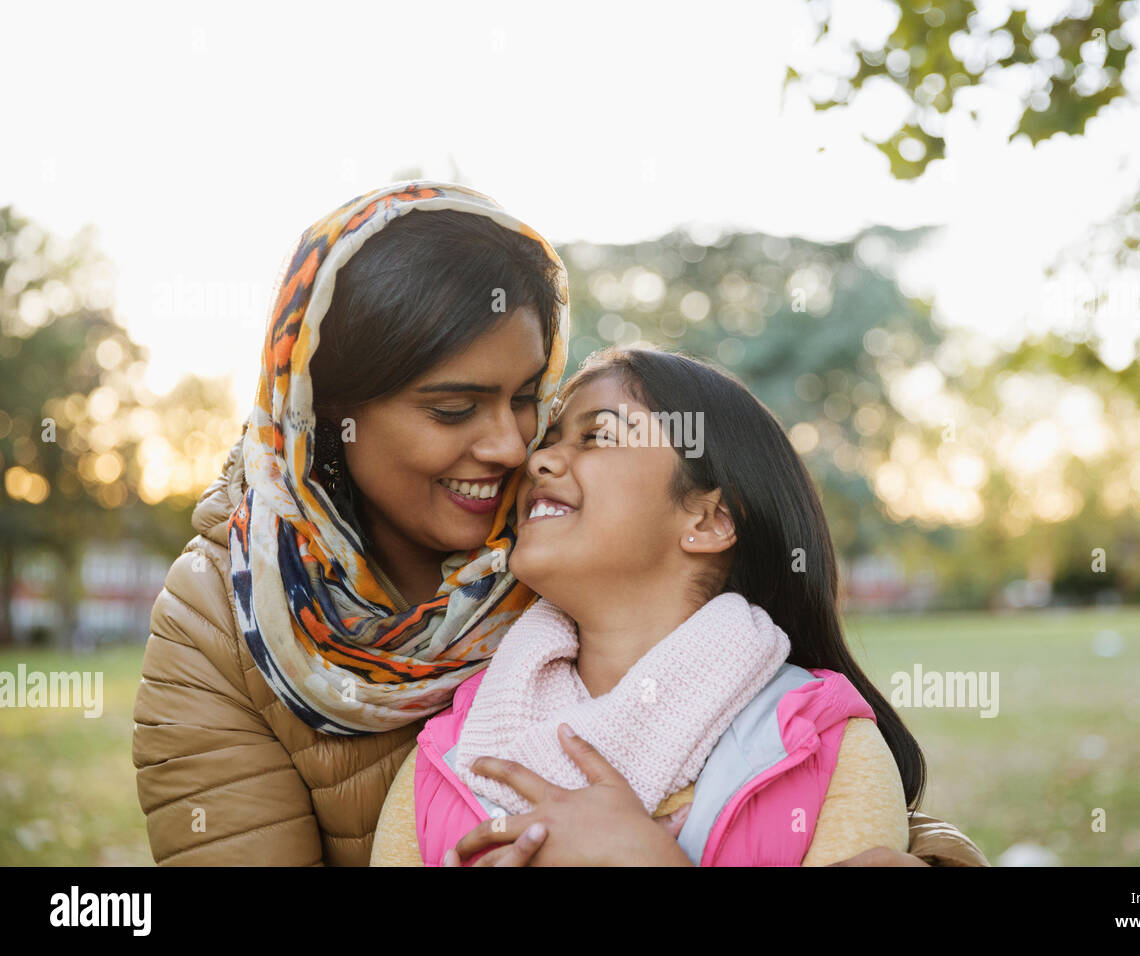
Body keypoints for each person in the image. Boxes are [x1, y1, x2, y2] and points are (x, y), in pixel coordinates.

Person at [133, 180, 989, 867]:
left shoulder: (563, 550)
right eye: (454, 408)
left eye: (526, 400)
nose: (514, 448)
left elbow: (809, 778)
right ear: (333, 413)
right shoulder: (223, 624)